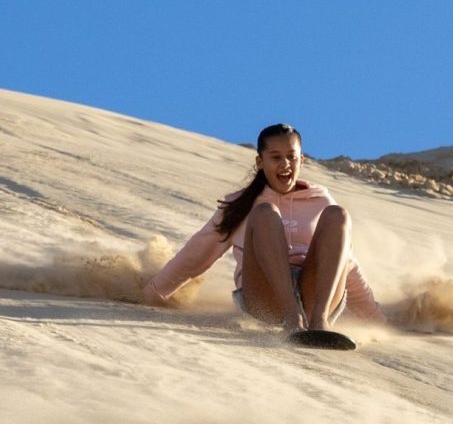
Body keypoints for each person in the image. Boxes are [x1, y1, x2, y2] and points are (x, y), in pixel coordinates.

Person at [143, 123, 382, 347]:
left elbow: (345, 262)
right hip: (266, 296)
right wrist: (154, 292)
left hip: (315, 293)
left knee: (337, 214)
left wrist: (376, 319)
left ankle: (319, 323)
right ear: (260, 162)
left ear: (302, 160)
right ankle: (292, 319)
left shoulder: (320, 200)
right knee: (265, 213)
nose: (285, 164)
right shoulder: (241, 204)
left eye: (291, 157)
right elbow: (197, 253)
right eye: (276, 157)